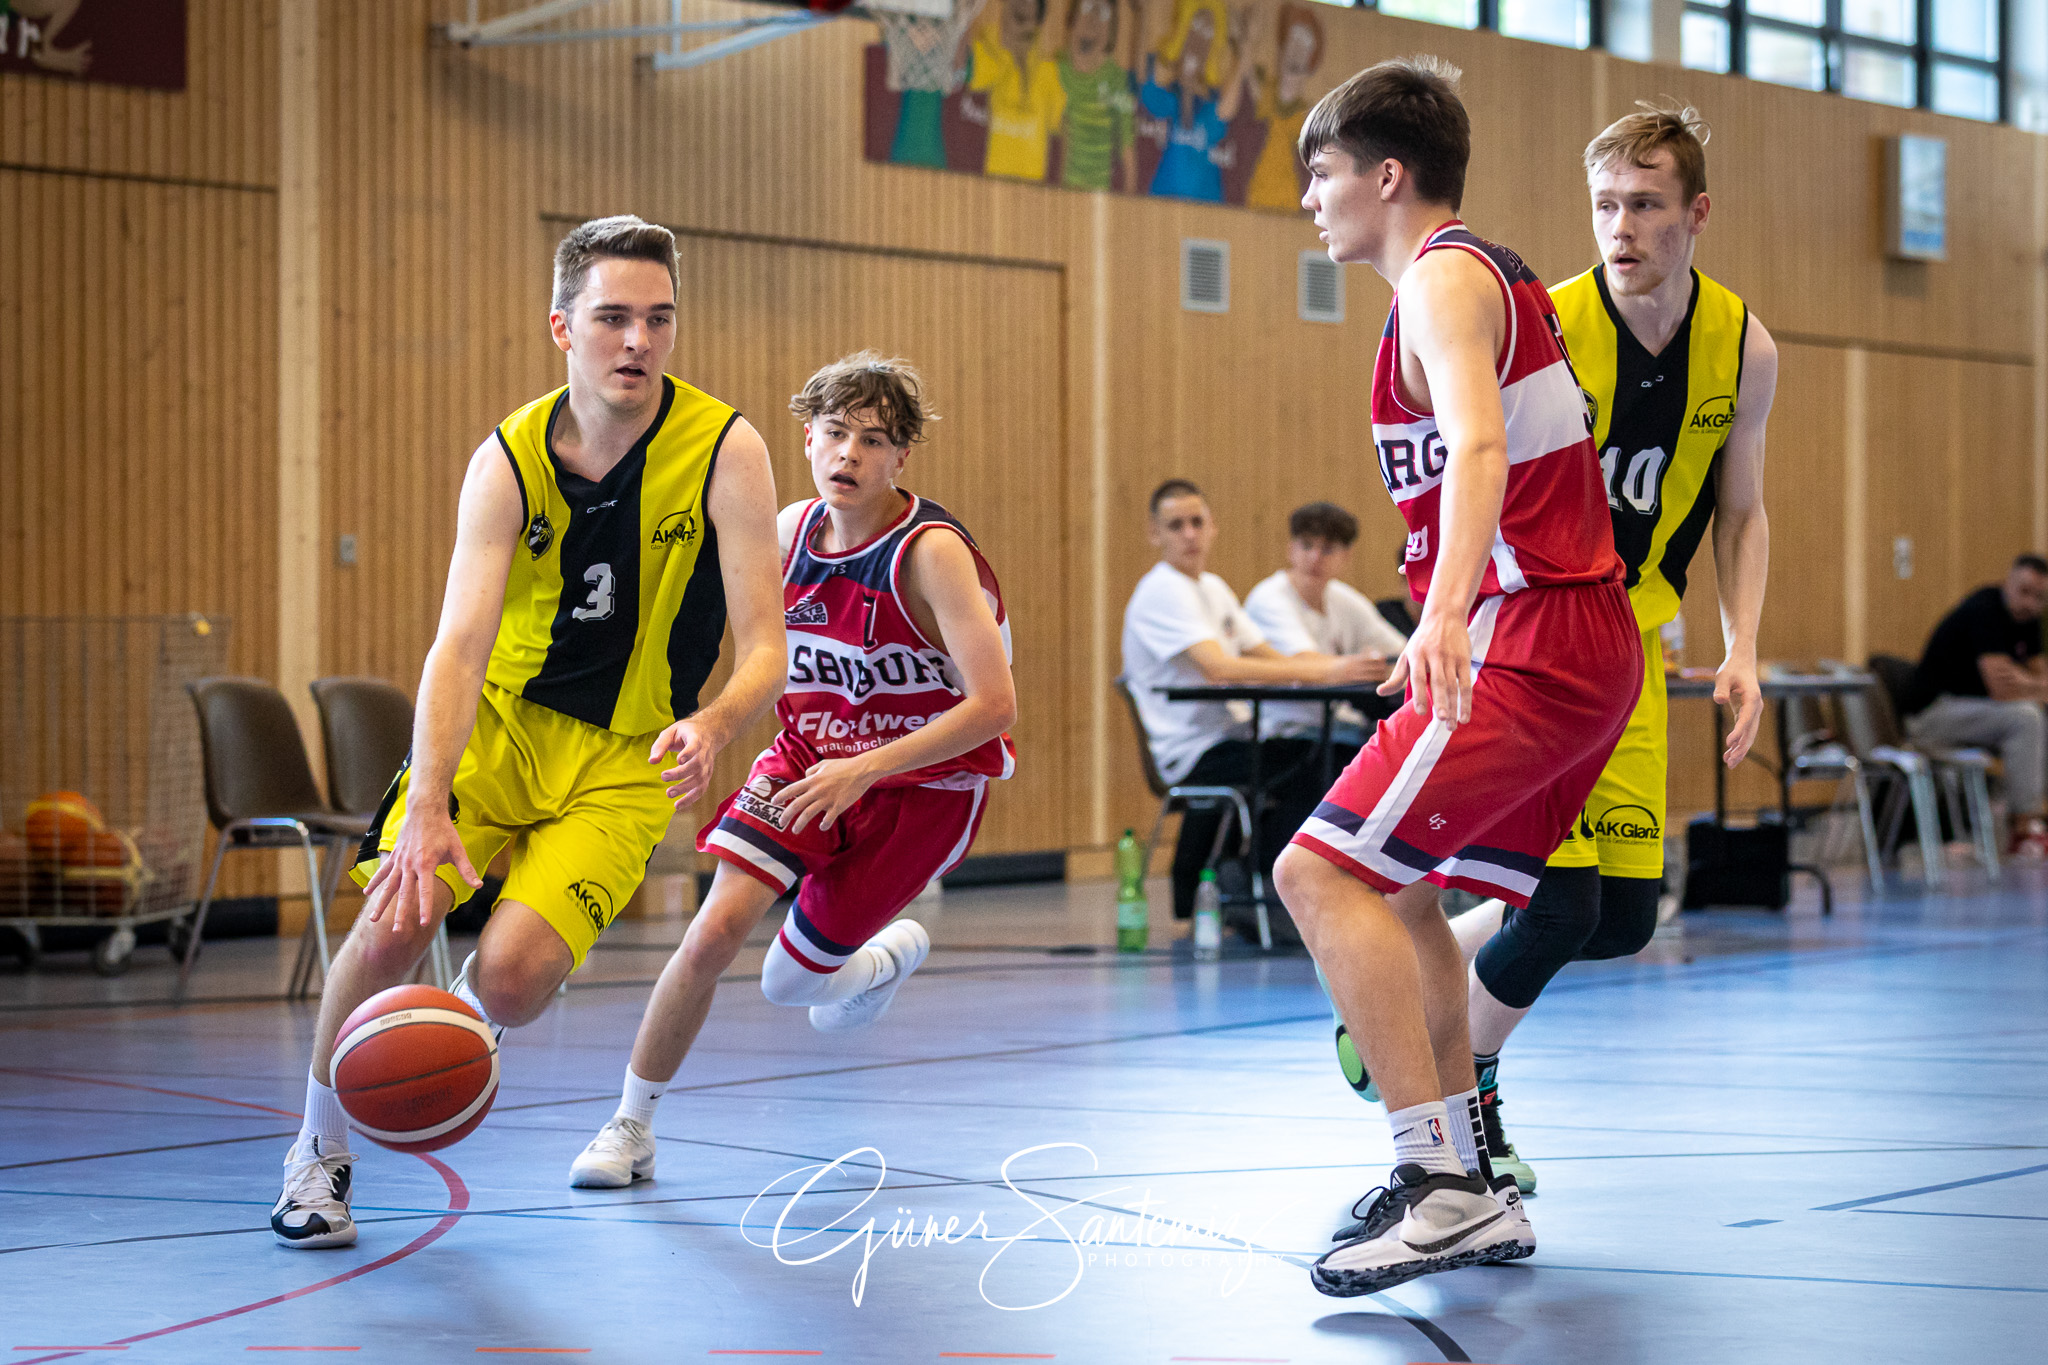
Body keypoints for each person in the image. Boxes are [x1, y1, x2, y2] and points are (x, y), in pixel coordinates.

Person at [271, 215, 787, 1249]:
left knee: (510, 978)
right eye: (612, 319)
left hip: (628, 761)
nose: (636, 341)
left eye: (657, 319)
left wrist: (717, 721)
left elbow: (767, 649)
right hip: (498, 733)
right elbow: (457, 648)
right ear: (563, 327)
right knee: (388, 923)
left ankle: (450, 1026)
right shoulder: (507, 457)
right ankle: (314, 1158)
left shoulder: (726, 451)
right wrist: (423, 806)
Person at [1332, 104, 1776, 1198]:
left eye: (1644, 205)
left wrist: (1742, 646)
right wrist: (1446, 602)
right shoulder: (1540, 315)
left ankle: (1437, 1026)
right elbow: (1468, 452)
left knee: (1619, 919)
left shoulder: (1743, 346)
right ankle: (1454, 1094)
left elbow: (1742, 510)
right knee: (1555, 904)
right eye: (1604, 206)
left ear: (1695, 214)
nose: (1620, 227)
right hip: (1532, 626)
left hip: (1630, 639)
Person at [1282, 57, 1640, 1296]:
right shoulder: (1476, 275)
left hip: (1528, 631)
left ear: (1385, 175)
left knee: (1315, 872)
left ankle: (1433, 1184)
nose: (1309, 200)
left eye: (1320, 174)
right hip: (1570, 636)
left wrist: (1438, 615)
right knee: (1410, 897)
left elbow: (1479, 443)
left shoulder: (1439, 274)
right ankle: (1471, 1182)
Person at [567, 353, 1018, 1188]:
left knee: (788, 984)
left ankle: (879, 961)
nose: (850, 454)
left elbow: (995, 707)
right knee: (709, 932)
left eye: (874, 440)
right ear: (807, 437)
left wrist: (868, 768)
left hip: (922, 783)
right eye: (837, 433)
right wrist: (708, 726)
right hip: (808, 758)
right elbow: (744, 649)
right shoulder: (787, 533)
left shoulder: (930, 553)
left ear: (901, 458)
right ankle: (630, 1125)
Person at [1122, 479, 1377, 929]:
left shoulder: (1214, 588)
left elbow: (1271, 658)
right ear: (1154, 534)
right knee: (1316, 758)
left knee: (1326, 754)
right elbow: (1219, 668)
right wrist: (1330, 672)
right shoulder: (1162, 590)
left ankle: (1263, 880)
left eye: (1196, 522)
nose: (1189, 534)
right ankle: (1267, 885)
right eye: (1176, 525)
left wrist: (1329, 669)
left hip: (1229, 736)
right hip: (1193, 749)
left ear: (1213, 527)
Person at [1903, 555, 2048, 857]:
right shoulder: (1984, 610)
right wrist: (2031, 683)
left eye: (2040, 597)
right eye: (2024, 592)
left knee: (2036, 715)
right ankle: (2023, 828)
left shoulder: (2029, 622)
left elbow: (2037, 678)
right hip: (1932, 717)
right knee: (2026, 718)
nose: (2030, 603)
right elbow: (2003, 688)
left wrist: (2023, 679)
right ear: (2007, 583)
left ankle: (2035, 818)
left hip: (1974, 715)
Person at [1243, 499, 1404, 749]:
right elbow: (1304, 662)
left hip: (1337, 725)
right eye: (1306, 546)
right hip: (1283, 733)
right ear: (1290, 549)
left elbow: (1401, 653)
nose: (1315, 557)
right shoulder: (1269, 598)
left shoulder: (1343, 598)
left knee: (1398, 740)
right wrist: (1362, 667)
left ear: (1346, 556)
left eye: (1327, 549)